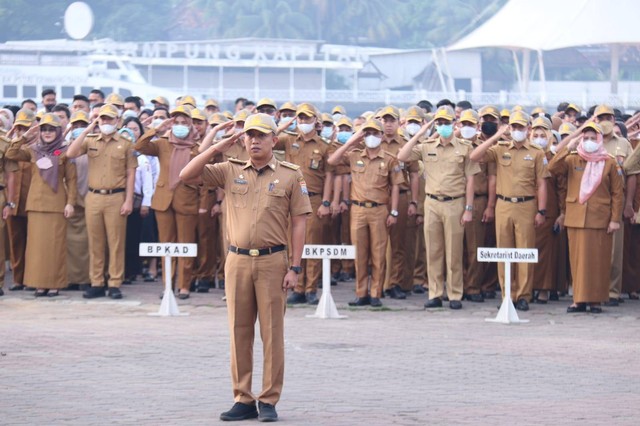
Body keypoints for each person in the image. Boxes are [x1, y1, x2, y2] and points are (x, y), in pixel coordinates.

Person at [180, 113, 311, 422]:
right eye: (249, 134)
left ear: (273, 140)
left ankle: (268, 399)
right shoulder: (229, 169)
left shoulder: (291, 175)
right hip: (237, 260)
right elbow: (187, 175)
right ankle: (242, 397)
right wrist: (216, 146)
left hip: (273, 262)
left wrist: (295, 267)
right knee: (239, 331)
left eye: (261, 135)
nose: (254, 140)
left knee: (272, 333)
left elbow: (299, 223)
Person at [398, 105, 479, 310]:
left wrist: (468, 208)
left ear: (454, 124)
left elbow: (470, 180)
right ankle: (435, 293)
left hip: (455, 202)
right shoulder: (427, 145)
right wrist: (422, 132)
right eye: (440, 123)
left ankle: (454, 294)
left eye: (446, 123)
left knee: (454, 252)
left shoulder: (464, 147)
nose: (443, 126)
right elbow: (402, 156)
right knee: (433, 251)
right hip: (432, 202)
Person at [469, 110, 547, 311]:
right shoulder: (499, 148)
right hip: (503, 205)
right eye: (514, 127)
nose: (517, 130)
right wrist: (496, 136)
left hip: (526, 205)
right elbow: (474, 156)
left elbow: (541, 184)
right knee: (504, 251)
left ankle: (523, 295)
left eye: (521, 127)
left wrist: (542, 211)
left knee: (524, 251)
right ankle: (507, 295)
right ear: (509, 128)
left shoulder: (536, 152)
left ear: (528, 129)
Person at [547, 122, 623, 313]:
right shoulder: (573, 159)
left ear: (599, 140)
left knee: (599, 261)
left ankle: (596, 300)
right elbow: (552, 168)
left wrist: (615, 219)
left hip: (600, 219)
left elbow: (617, 193)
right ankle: (578, 300)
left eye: (592, 138)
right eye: (585, 138)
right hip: (576, 217)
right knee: (578, 261)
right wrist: (568, 147)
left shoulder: (609, 162)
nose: (589, 142)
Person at [328, 118, 403, 307]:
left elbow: (395, 187)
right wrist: (353, 140)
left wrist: (393, 212)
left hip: (379, 210)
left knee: (378, 254)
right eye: (367, 133)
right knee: (360, 254)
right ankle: (361, 293)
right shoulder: (354, 155)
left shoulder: (389, 159)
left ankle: (376, 293)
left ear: (381, 136)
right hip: (358, 210)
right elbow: (332, 160)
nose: (371, 137)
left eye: (375, 133)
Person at [66, 104, 137, 299]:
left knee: (115, 242)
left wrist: (128, 200)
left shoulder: (126, 143)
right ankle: (97, 282)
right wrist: (89, 128)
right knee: (95, 242)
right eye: (103, 119)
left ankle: (114, 283)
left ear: (118, 121)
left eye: (109, 119)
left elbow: (131, 173)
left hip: (116, 196)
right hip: (94, 197)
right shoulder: (90, 141)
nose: (106, 122)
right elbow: (70, 153)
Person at [5, 113, 77, 297]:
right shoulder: (33, 150)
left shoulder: (63, 150)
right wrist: (24, 136)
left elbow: (71, 179)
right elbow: (11, 153)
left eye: (51, 130)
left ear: (58, 131)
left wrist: (70, 203)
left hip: (56, 204)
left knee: (55, 247)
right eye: (44, 129)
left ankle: (54, 284)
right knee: (36, 249)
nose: (47, 133)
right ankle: (39, 284)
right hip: (36, 204)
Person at [134, 105, 201, 299]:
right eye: (176, 122)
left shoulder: (196, 147)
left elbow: (203, 175)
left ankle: (184, 286)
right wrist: (157, 129)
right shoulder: (163, 143)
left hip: (186, 200)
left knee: (186, 245)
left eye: (184, 123)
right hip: (163, 200)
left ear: (190, 125)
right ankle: (168, 286)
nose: (180, 126)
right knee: (166, 245)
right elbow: (139, 147)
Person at [275, 103, 335, 305]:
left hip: (313, 197)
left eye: (307, 119)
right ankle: (297, 287)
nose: (303, 122)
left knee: (312, 244)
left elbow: (329, 176)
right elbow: (269, 137)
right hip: (291, 198)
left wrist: (326, 202)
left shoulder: (324, 145)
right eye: (300, 118)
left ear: (316, 122)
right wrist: (286, 125)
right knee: (293, 244)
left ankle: (311, 288)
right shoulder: (289, 139)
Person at [593, 105, 637, 306]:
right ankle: (594, 289)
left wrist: (629, 204)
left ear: (613, 119)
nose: (604, 121)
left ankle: (612, 292)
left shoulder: (624, 144)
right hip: (595, 202)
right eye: (600, 117)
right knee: (594, 249)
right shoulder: (591, 142)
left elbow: (631, 176)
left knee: (615, 251)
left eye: (607, 117)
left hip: (617, 202)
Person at [4, 109, 36, 293]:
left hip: (33, 202)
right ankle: (18, 279)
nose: (22, 131)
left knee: (33, 243)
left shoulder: (41, 147)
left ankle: (32, 278)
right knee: (16, 242)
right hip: (12, 202)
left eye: (26, 127)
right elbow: (6, 155)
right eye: (19, 127)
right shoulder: (11, 146)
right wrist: (13, 135)